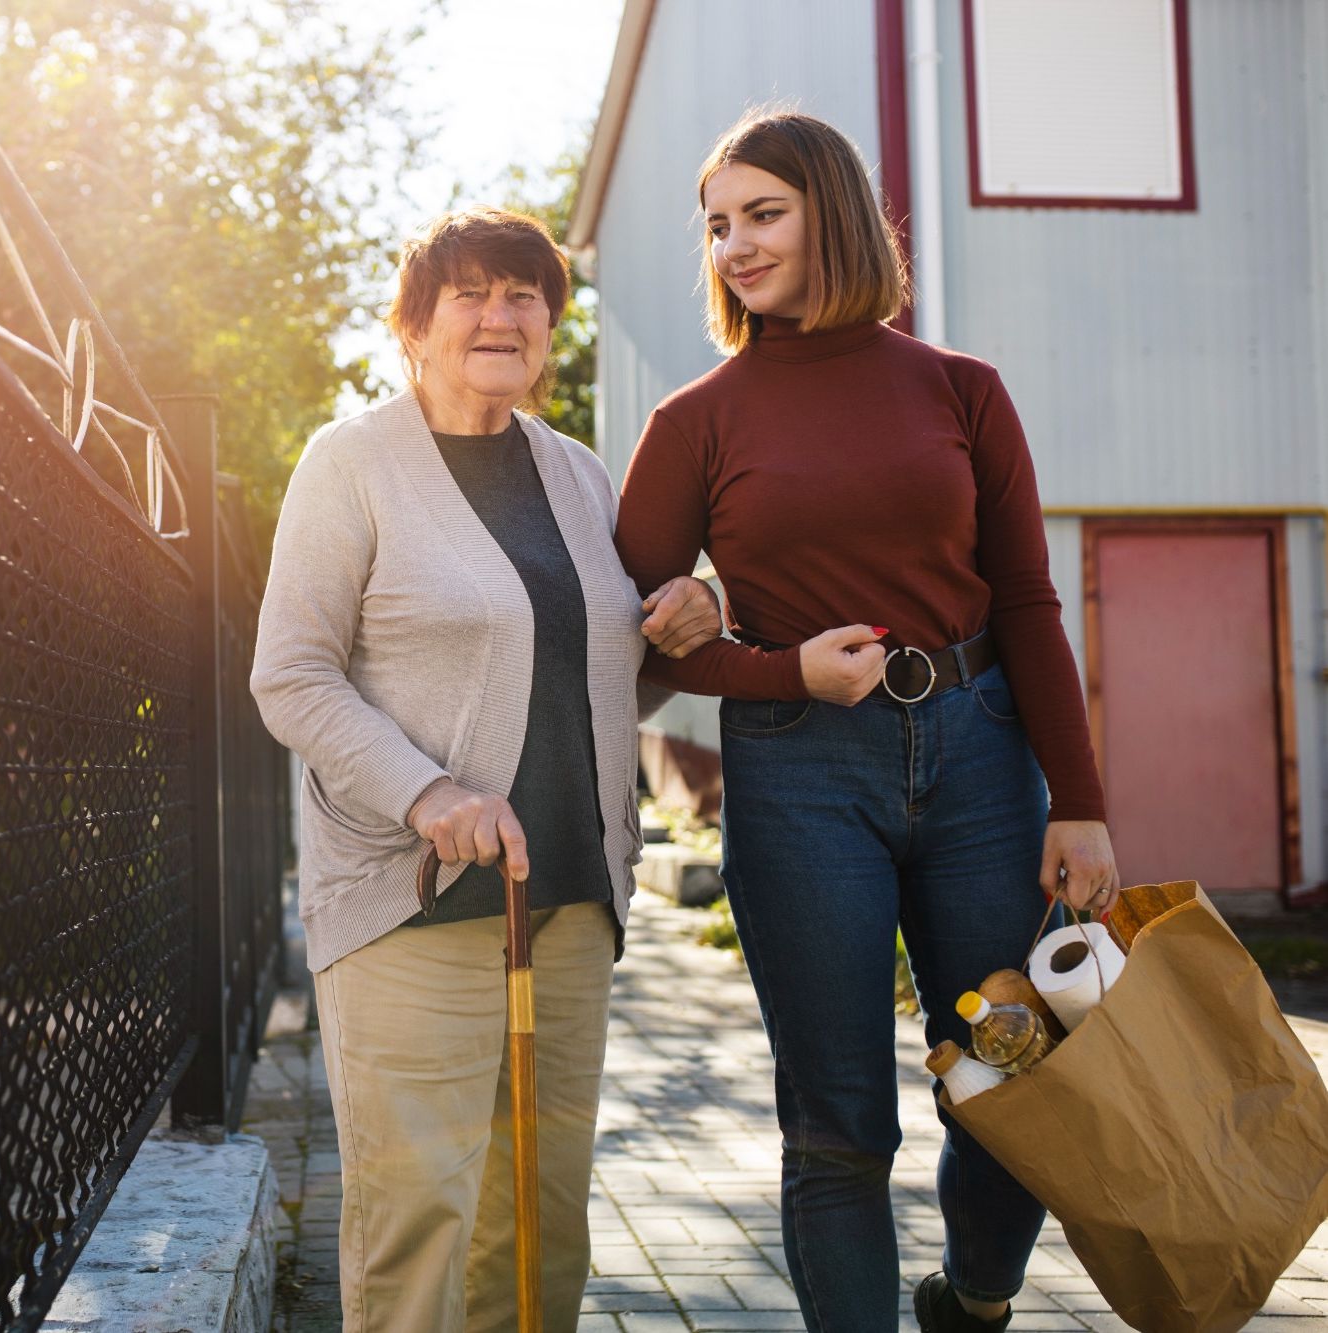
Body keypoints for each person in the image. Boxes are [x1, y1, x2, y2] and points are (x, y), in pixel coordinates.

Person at [613, 112, 1120, 1333]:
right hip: (800, 784)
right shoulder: (695, 421)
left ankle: (976, 1300)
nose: (734, 244)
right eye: (718, 224)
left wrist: (1084, 801)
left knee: (1010, 1082)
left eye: (762, 214)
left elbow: (1029, 602)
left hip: (983, 764)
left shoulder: (963, 390)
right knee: (837, 1120)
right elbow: (627, 640)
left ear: (831, 210)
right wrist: (776, 667)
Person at [250, 205, 719, 1333]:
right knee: (421, 1224)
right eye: (468, 294)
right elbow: (291, 676)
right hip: (412, 905)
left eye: (525, 296)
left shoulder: (578, 475)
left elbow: (596, 676)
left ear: (550, 325)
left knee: (543, 1227)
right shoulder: (350, 462)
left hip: (566, 906)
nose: (500, 315)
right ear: (414, 326)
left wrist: (700, 612)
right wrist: (429, 791)